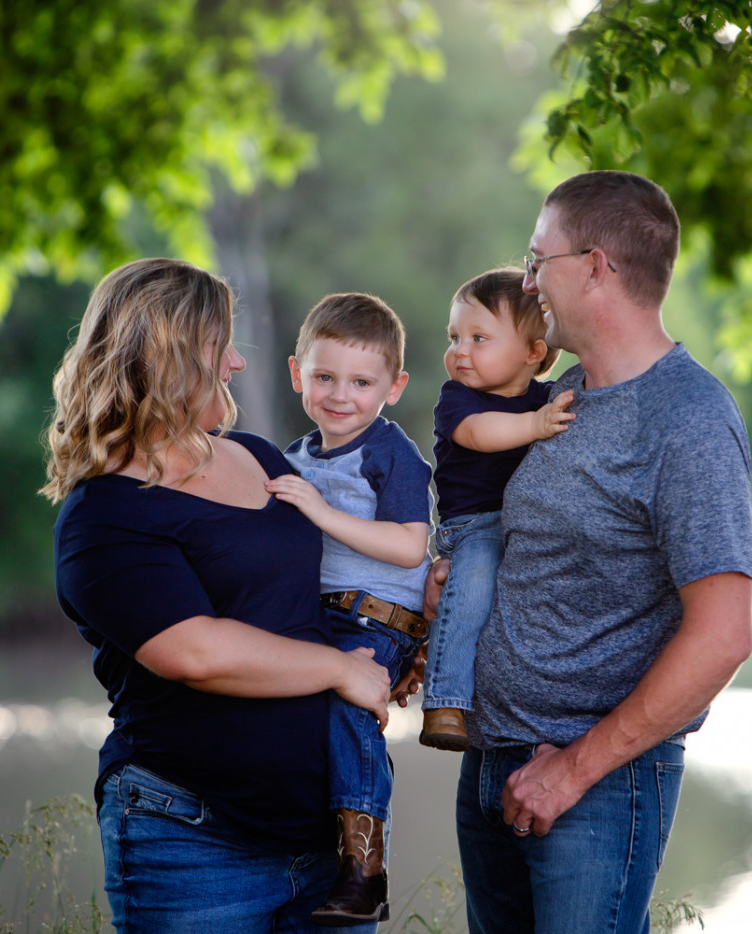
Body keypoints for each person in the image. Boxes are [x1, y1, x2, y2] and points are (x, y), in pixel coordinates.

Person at [432, 171, 752, 934]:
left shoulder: (690, 421)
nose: (528, 279)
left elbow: (723, 637)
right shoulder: (558, 396)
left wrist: (573, 771)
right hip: (492, 765)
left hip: (593, 790)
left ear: (595, 266)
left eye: (537, 258)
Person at [42, 258, 395, 934]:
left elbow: (316, 591)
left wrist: (387, 640)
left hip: (328, 840)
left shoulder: (261, 459)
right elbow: (195, 651)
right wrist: (340, 670)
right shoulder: (103, 514)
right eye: (218, 345)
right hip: (191, 838)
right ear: (166, 356)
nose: (234, 363)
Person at [264, 292, 433, 926]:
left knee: (348, 704)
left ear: (394, 387)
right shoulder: (294, 456)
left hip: (374, 618)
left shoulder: (392, 454)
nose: (341, 394)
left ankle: (365, 870)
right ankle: (298, 839)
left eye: (362, 382)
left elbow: (409, 544)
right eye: (324, 376)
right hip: (314, 615)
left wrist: (320, 511)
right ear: (295, 374)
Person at [418, 268, 574, 751]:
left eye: (478, 337)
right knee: (476, 579)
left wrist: (540, 417)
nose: (460, 350)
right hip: (473, 526)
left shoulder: (544, 400)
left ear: (534, 352)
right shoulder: (458, 399)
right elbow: (478, 434)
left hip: (525, 526)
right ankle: (445, 697)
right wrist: (535, 425)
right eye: (455, 336)